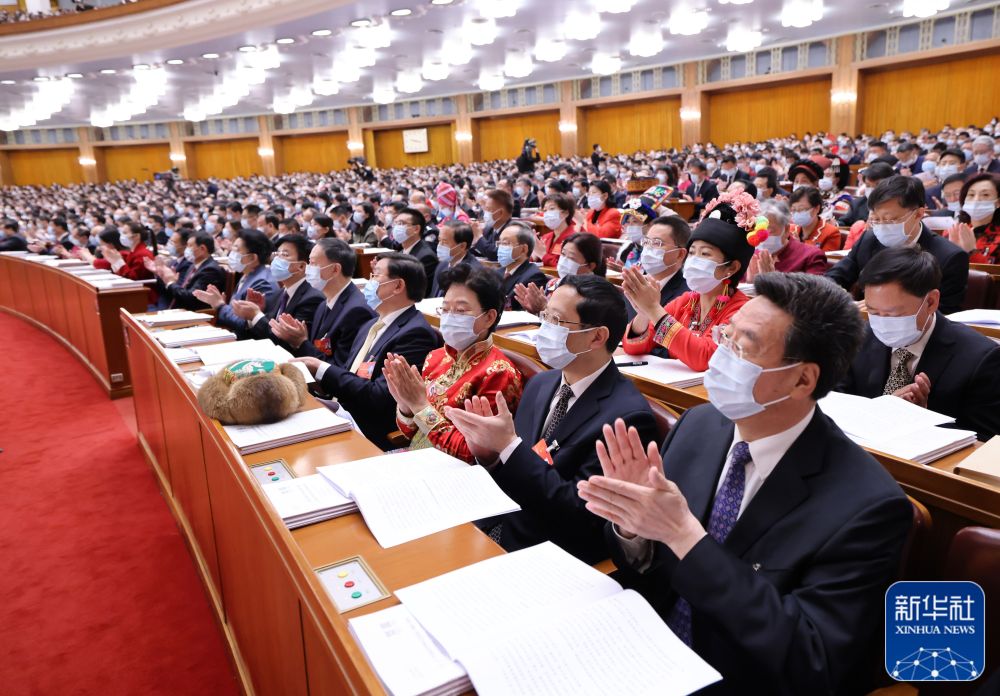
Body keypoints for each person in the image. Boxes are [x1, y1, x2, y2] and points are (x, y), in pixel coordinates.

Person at [578, 272, 911, 695]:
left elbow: (811, 659)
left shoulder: (869, 507)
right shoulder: (700, 425)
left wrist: (684, 536)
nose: (719, 356)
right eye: (724, 336)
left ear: (803, 379)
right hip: (644, 651)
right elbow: (647, 567)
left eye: (742, 347)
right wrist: (633, 525)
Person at [445, 275, 658, 563]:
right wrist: (490, 456)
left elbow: (579, 512)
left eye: (557, 321)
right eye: (545, 316)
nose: (545, 329)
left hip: (547, 551)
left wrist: (507, 447)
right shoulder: (542, 383)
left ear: (597, 336)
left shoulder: (627, 416)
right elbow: (518, 467)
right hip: (495, 521)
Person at [840, 247, 1000, 441]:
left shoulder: (981, 358)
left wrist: (922, 420)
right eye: (874, 312)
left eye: (893, 314)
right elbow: (838, 402)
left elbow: (985, 441)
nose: (881, 323)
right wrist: (883, 412)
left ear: (931, 302)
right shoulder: (859, 337)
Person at [293, 253, 442, 450]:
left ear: (398, 286)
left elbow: (378, 397)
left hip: (368, 431)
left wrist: (321, 368)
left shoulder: (415, 334)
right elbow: (349, 373)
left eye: (376, 276)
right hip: (342, 412)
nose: (369, 283)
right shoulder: (372, 324)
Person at [386, 266, 524, 463]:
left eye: (460, 310)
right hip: (416, 458)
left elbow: (474, 454)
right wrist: (405, 405)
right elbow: (411, 433)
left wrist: (419, 405)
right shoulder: (436, 357)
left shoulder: (498, 373)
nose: (449, 317)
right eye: (445, 309)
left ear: (489, 317)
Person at [621, 195, 757, 371]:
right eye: (692, 253)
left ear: (731, 268)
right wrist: (644, 313)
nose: (694, 260)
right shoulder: (686, 302)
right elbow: (634, 346)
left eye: (705, 254)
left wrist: (654, 309)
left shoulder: (741, 310)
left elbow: (705, 358)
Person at [825, 176, 969, 315]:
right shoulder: (869, 239)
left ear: (919, 214)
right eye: (876, 219)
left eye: (890, 220)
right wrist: (841, 297)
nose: (881, 226)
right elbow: (835, 276)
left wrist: (884, 309)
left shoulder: (950, 257)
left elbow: (946, 312)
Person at [271, 238, 376, 366]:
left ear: (335, 269)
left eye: (314, 264)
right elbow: (319, 349)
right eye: (309, 263)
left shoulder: (357, 311)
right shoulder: (323, 304)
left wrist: (301, 342)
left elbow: (338, 367)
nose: (308, 269)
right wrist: (297, 340)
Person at [194, 229, 277, 336]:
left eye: (236, 250)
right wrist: (222, 306)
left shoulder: (262, 283)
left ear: (252, 258)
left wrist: (220, 305)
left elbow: (245, 323)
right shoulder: (248, 274)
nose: (232, 253)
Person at [244, 234, 323, 342]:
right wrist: (256, 313)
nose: (277, 259)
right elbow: (265, 332)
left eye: (285, 254)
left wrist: (256, 315)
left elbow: (287, 341)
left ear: (301, 266)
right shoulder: (279, 293)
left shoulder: (312, 298)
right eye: (277, 253)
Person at [515, 232, 604, 315]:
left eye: (571, 258)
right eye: (563, 254)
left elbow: (573, 326)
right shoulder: (552, 284)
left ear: (590, 266)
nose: (564, 261)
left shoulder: (594, 293)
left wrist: (545, 308)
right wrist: (534, 311)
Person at [746, 199, 828, 281]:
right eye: (756, 232)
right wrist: (749, 283)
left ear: (786, 230)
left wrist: (771, 282)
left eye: (770, 231)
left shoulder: (810, 256)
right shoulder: (751, 255)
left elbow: (814, 291)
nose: (762, 238)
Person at [154, 231, 226, 310]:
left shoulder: (210, 270)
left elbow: (191, 297)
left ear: (202, 248)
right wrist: (171, 280)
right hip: (181, 309)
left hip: (196, 313)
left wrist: (171, 283)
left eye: (190, 246)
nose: (186, 249)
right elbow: (183, 291)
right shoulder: (194, 265)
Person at [943, 173, 1000, 263]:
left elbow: (994, 275)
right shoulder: (953, 230)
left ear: (998, 202)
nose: (976, 199)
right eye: (971, 195)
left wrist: (971, 252)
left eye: (985, 195)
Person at [384, 206, 437, 295]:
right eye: (395, 223)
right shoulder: (401, 252)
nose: (396, 227)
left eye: (401, 223)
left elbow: (417, 292)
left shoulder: (426, 257)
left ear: (416, 229)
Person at [497, 222, 548, 310]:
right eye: (499, 243)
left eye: (505, 243)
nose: (500, 247)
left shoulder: (534, 276)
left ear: (523, 249)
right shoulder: (497, 272)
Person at [430, 221, 481, 297]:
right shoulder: (442, 264)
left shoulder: (473, 273)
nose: (439, 246)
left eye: (444, 242)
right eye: (439, 240)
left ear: (462, 246)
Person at [788, 187, 840, 251]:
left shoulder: (831, 233)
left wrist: (800, 247)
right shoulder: (790, 229)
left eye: (801, 209)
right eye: (794, 210)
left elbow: (825, 259)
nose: (797, 213)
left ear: (816, 208)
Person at [472, 188, 513, 262]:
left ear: (501, 213)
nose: (485, 213)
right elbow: (481, 251)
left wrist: (479, 237)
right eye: (485, 209)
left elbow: (496, 254)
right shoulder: (489, 228)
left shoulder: (512, 230)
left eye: (488, 210)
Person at [537, 192, 578, 267]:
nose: (547, 213)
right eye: (545, 210)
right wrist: (534, 254)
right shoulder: (545, 237)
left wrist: (542, 255)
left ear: (565, 213)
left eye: (552, 209)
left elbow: (566, 268)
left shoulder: (574, 239)